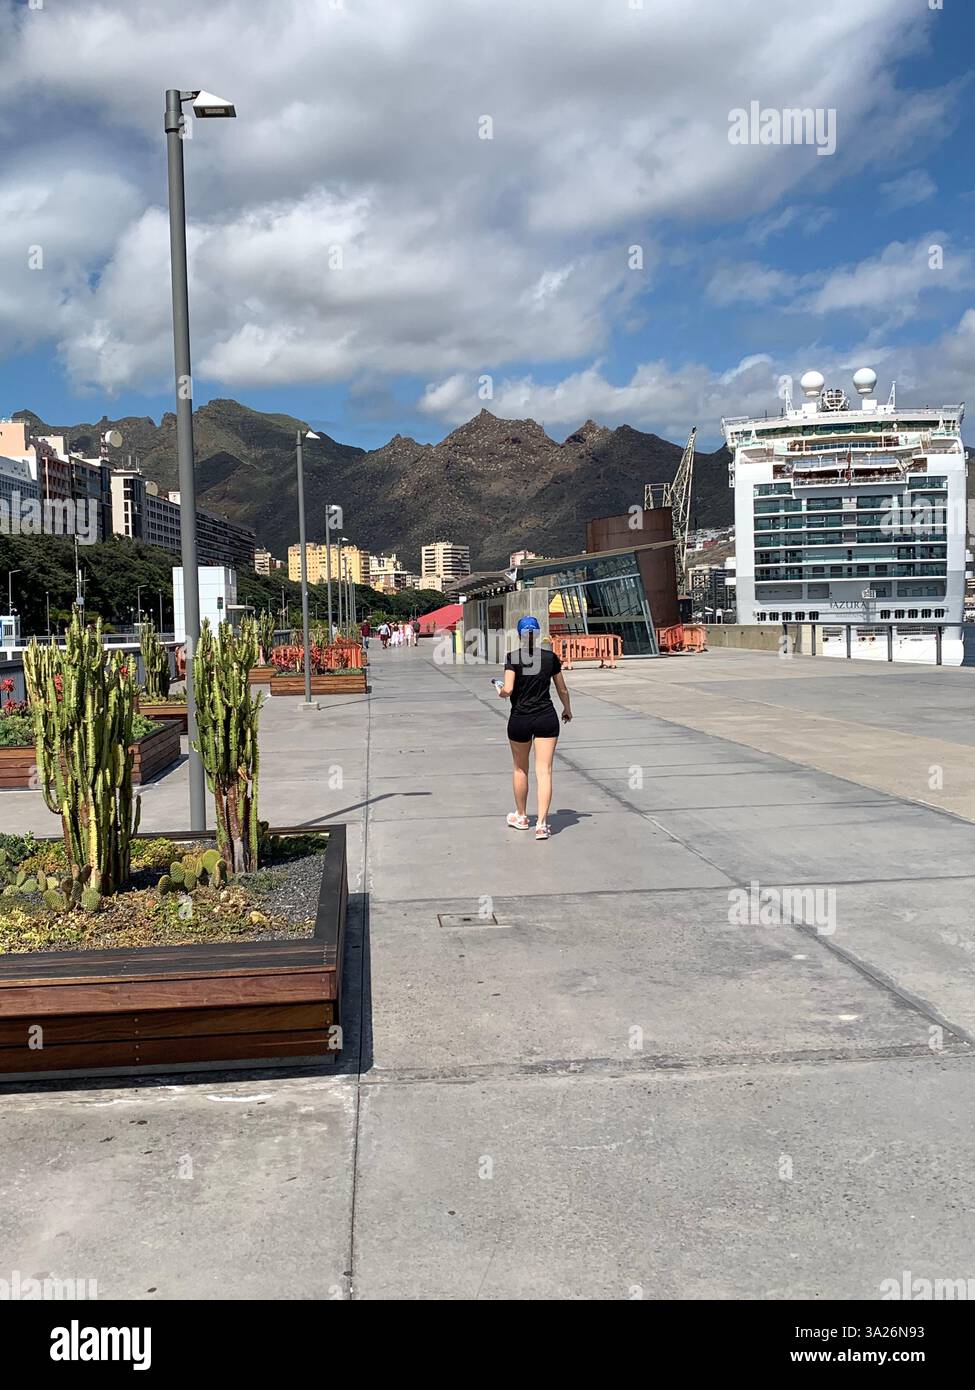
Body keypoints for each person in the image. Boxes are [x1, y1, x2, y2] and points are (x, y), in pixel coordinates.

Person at [497, 616, 572, 840]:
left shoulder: (513, 658)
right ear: (537, 634)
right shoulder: (550, 658)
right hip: (546, 717)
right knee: (544, 771)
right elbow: (562, 689)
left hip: (520, 718)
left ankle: (521, 816)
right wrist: (567, 709)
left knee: (520, 769)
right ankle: (541, 824)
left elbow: (508, 690)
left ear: (519, 634)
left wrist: (499, 689)